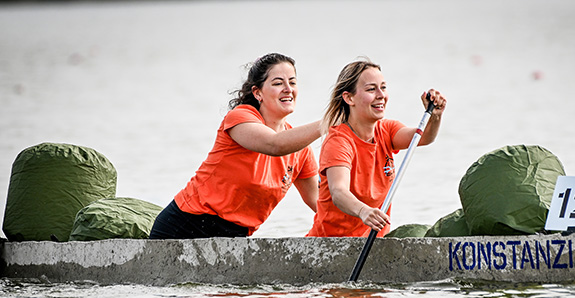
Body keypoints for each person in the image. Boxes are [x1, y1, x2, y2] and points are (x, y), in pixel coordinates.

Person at [150, 53, 320, 239]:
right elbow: (275, 145)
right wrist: (331, 121)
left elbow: (320, 203)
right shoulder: (240, 118)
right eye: (278, 83)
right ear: (258, 93)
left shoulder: (300, 149)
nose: (288, 89)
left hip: (234, 236)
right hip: (186, 224)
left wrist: (356, 215)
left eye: (293, 82)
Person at [306, 58, 446, 237]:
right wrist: (364, 211)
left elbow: (423, 137)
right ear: (349, 98)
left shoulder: (387, 129)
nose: (381, 95)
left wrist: (435, 116)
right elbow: (338, 192)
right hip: (331, 243)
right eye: (371, 89)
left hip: (374, 241)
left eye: (383, 87)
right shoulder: (338, 140)